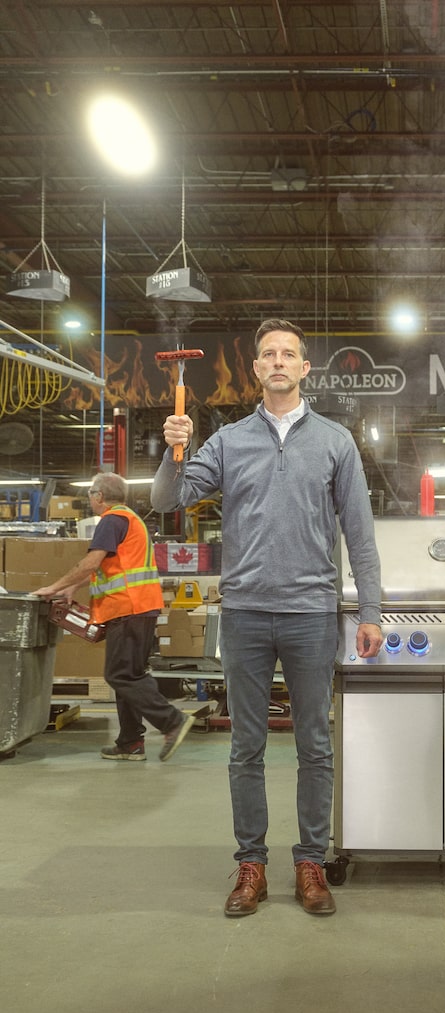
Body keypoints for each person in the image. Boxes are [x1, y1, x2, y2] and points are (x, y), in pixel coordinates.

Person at [152, 318, 383, 919]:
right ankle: (250, 863)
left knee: (316, 746)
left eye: (289, 354)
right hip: (247, 612)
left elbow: (359, 534)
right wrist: (173, 449)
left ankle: (310, 862)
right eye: (267, 355)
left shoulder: (335, 441)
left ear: (305, 368)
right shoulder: (227, 442)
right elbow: (167, 500)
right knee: (245, 749)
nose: (278, 362)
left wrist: (372, 610)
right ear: (255, 370)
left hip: (311, 614)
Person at [34, 473, 194, 763]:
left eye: (90, 496)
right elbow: (109, 566)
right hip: (140, 608)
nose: (89, 501)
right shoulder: (130, 518)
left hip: (128, 609)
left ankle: (172, 721)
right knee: (129, 675)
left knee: (121, 675)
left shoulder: (111, 520)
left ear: (98, 496)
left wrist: (54, 587)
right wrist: (72, 588)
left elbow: (91, 562)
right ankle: (130, 742)